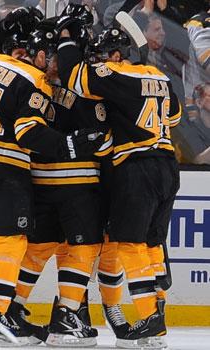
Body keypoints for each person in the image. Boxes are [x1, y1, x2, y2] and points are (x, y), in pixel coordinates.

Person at [0, 6, 105, 346]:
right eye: (49, 56)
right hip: (5, 169)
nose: (50, 64)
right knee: (10, 244)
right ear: (33, 53)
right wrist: (69, 146)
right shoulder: (34, 80)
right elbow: (28, 132)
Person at [57, 22, 182, 349]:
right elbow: (175, 116)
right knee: (153, 245)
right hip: (168, 166)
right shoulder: (160, 77)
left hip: (138, 169)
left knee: (129, 244)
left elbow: (74, 77)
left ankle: (149, 318)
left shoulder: (118, 75)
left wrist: (67, 39)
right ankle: (158, 317)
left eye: (103, 56)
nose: (100, 61)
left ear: (116, 55)